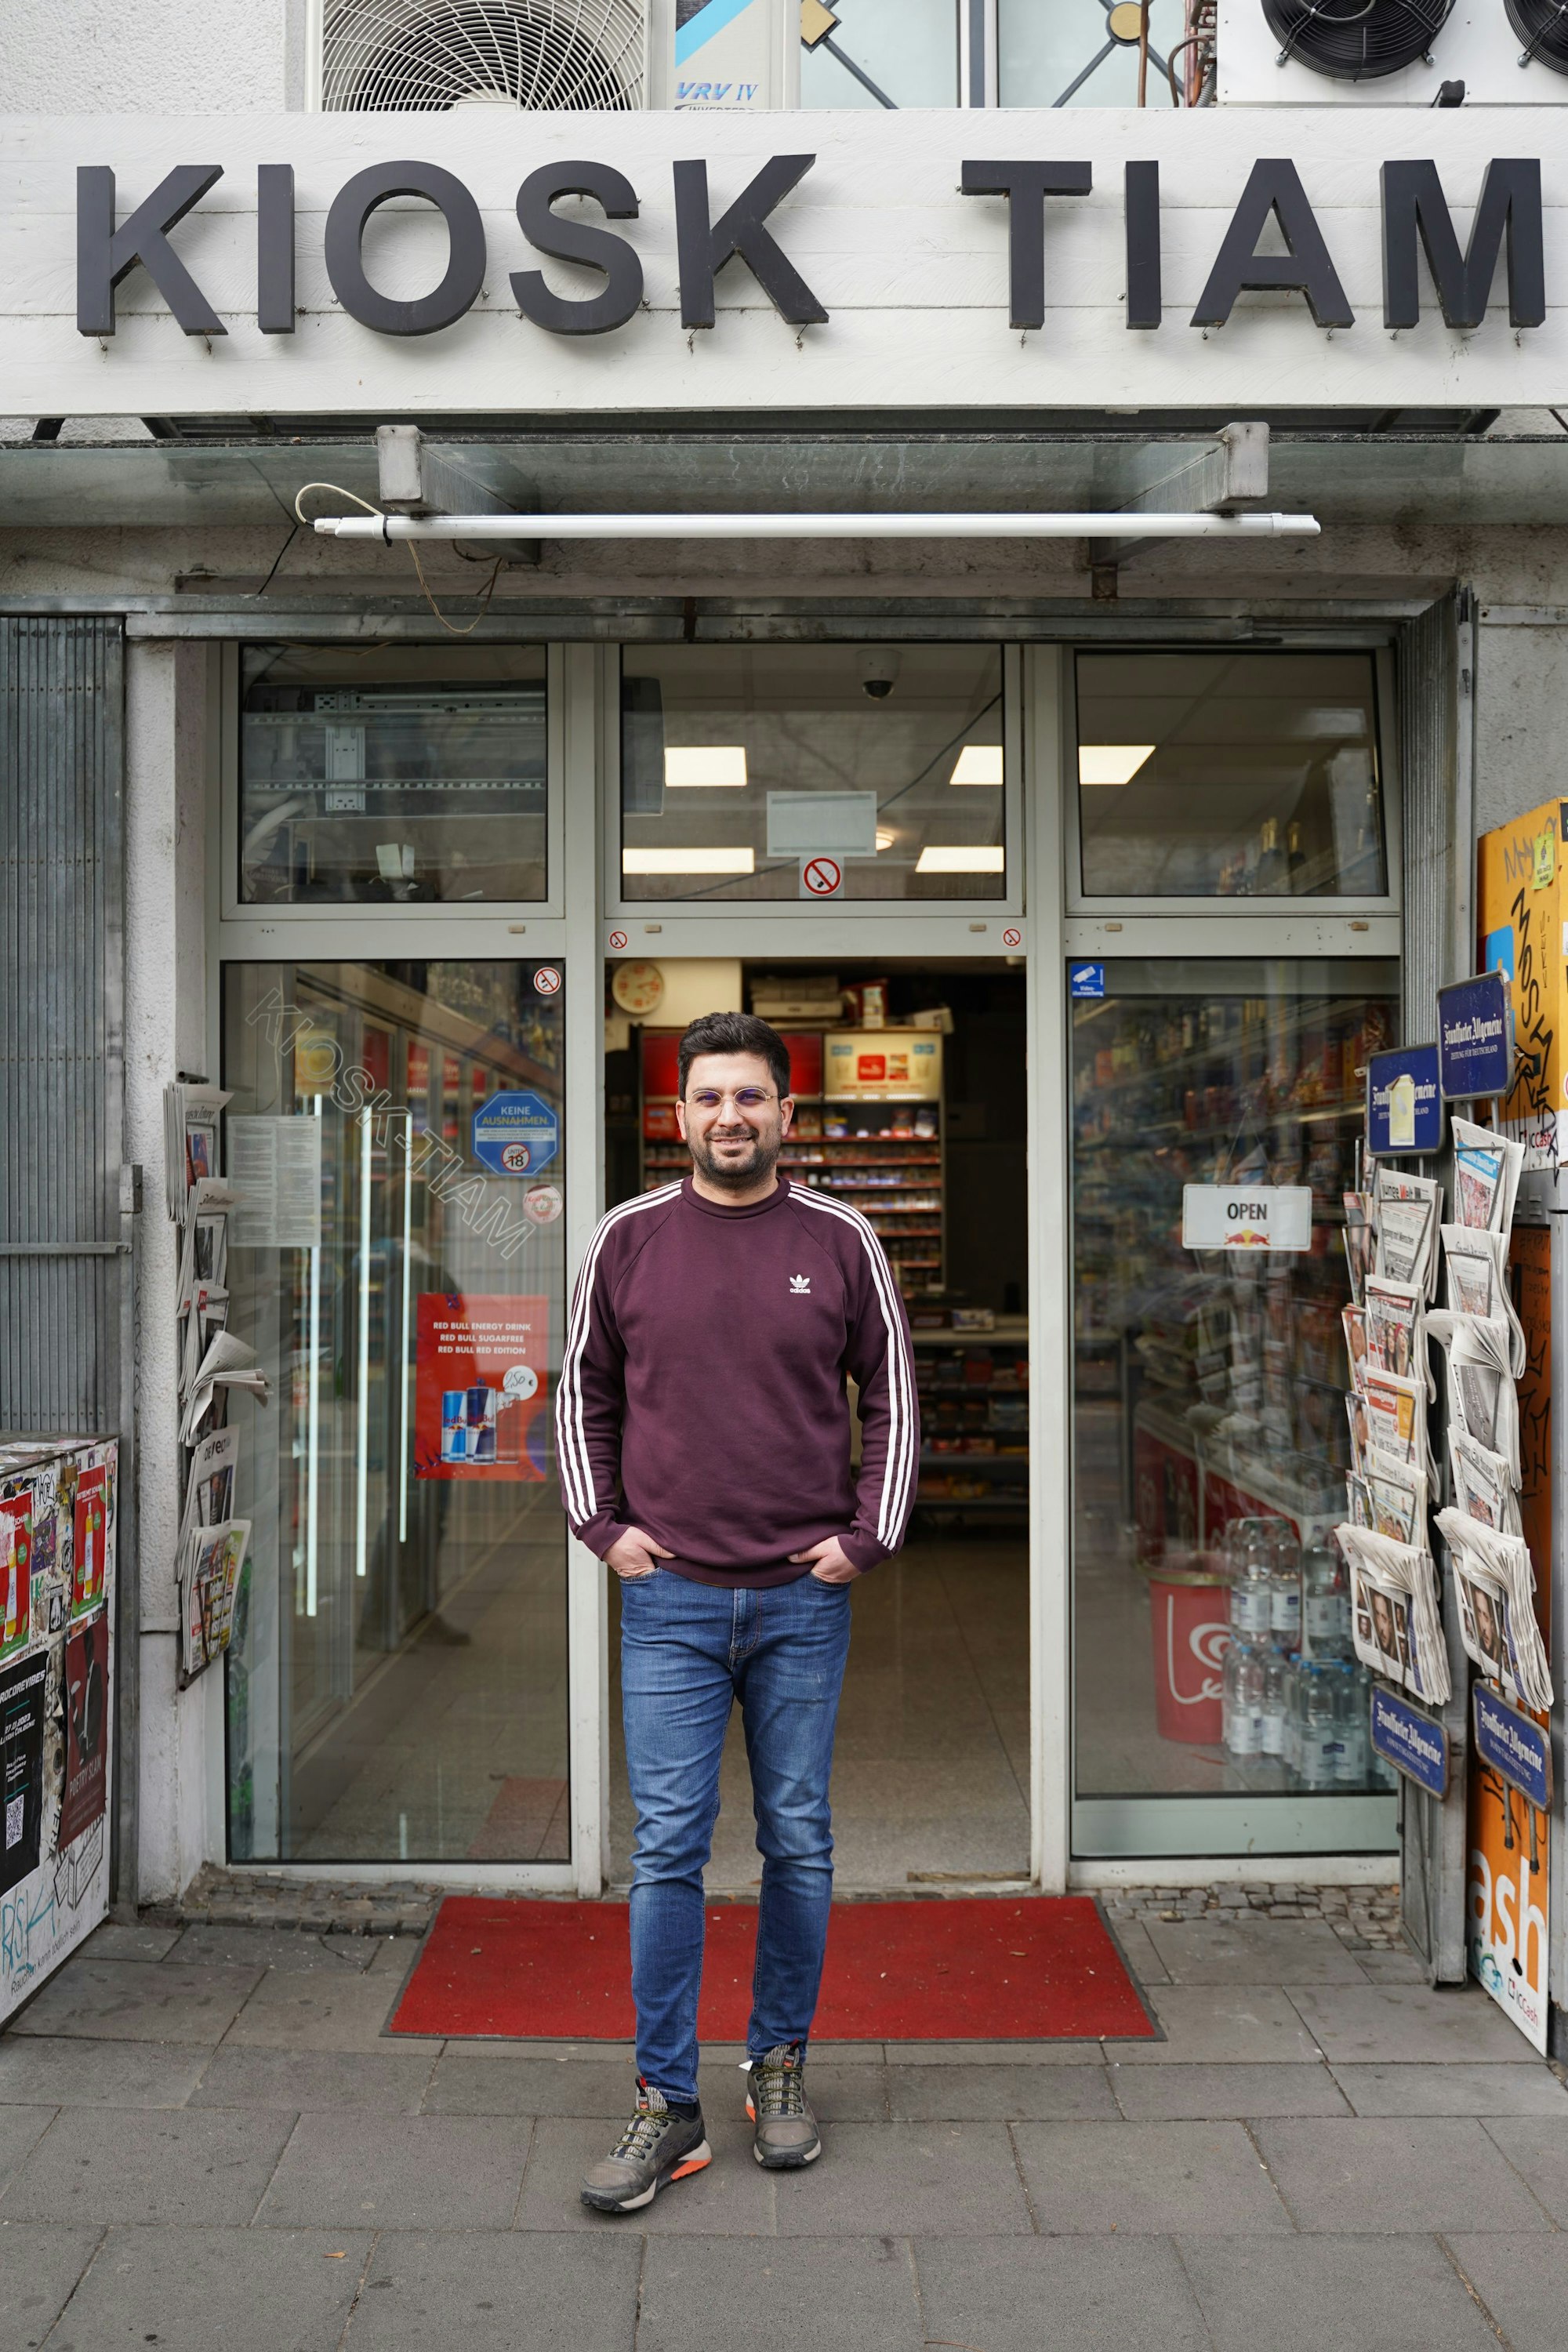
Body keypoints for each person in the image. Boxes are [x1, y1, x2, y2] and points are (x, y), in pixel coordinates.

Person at [556, 1009, 917, 2214]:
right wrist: (607, 1532)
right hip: (670, 1601)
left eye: (750, 1098)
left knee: (798, 1842)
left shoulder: (844, 1238)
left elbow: (895, 1397)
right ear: (677, 1115)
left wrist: (863, 1540)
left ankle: (780, 2068)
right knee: (666, 1850)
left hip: (799, 1602)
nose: (729, 1117)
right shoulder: (625, 1240)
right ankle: (668, 2102)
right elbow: (581, 1401)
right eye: (708, 1098)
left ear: (785, 1115)